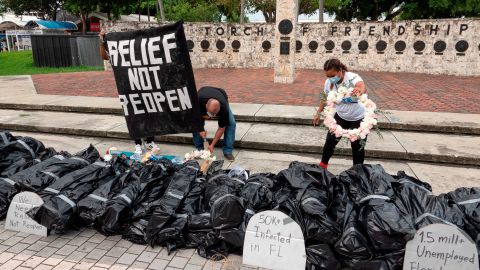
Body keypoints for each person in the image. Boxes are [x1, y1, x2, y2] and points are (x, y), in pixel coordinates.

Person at [99, 31, 157, 155]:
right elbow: (104, 56)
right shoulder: (121, 56)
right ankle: (137, 144)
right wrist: (103, 41)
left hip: (146, 89)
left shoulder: (144, 55)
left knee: (150, 115)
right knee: (134, 116)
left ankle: (150, 141)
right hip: (129, 90)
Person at [313, 58, 367, 169]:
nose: (330, 79)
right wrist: (318, 113)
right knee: (330, 142)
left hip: (358, 118)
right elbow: (324, 98)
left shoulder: (352, 77)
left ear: (340, 70)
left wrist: (359, 90)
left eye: (333, 76)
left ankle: (358, 172)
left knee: (357, 147)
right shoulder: (328, 83)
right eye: (328, 76)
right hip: (341, 116)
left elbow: (361, 86)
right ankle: (323, 166)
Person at [193, 86, 236, 161]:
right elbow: (195, 120)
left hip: (221, 93)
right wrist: (200, 130)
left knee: (231, 123)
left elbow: (221, 128)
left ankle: (227, 151)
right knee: (195, 125)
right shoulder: (198, 101)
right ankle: (200, 149)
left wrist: (212, 145)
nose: (212, 117)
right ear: (206, 106)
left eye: (215, 115)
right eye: (210, 114)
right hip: (203, 92)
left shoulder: (224, 107)